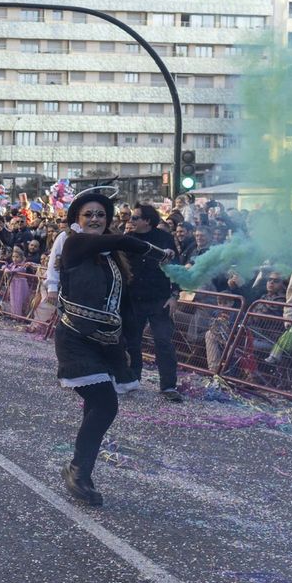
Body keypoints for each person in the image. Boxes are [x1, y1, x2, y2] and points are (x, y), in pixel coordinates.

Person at [53, 191, 176, 507]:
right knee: (105, 404)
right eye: (88, 214)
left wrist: (131, 351)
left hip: (108, 343)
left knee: (96, 406)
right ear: (77, 220)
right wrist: (154, 249)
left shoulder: (113, 257)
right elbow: (122, 241)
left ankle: (80, 470)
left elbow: (124, 307)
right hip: (76, 339)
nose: (95, 219)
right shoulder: (74, 244)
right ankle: (78, 470)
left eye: (101, 215)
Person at [119, 203, 181, 401]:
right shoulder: (128, 239)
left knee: (163, 341)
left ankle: (169, 386)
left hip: (159, 299)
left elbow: (176, 269)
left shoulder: (165, 239)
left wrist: (174, 295)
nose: (131, 221)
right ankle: (132, 379)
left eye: (135, 218)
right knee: (132, 342)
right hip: (133, 299)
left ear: (147, 220)